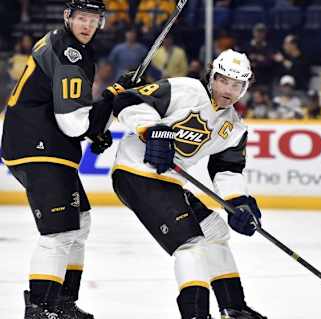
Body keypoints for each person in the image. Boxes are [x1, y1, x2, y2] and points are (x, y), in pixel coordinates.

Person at [1, 1, 137, 318]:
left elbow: (72, 116)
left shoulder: (64, 43)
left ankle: (61, 302)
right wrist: (112, 100)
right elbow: (73, 122)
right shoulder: (70, 52)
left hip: (43, 145)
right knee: (59, 232)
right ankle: (40, 308)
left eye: (93, 19)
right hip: (39, 146)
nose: (87, 25)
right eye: (81, 18)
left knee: (80, 222)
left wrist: (100, 118)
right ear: (68, 18)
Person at [110, 49, 267, 318]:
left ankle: (234, 309)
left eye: (237, 85)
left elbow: (227, 169)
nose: (228, 90)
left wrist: (239, 203)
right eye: (223, 81)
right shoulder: (187, 89)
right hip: (135, 172)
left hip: (169, 183)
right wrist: (152, 129)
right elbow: (127, 100)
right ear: (211, 77)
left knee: (215, 232)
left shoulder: (234, 127)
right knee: (191, 244)